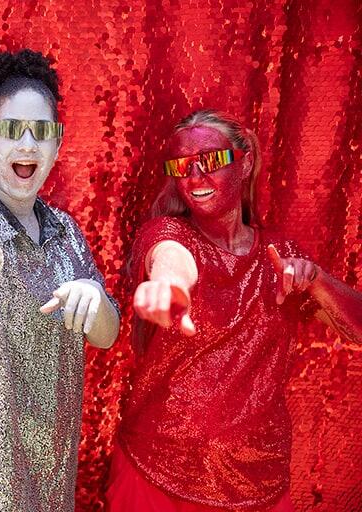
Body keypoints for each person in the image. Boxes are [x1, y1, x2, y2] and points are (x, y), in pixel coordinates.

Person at [108, 110, 362, 511]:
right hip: (157, 476)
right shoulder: (168, 233)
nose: (194, 177)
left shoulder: (279, 257)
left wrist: (317, 281)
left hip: (258, 485)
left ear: (244, 163)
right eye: (181, 166)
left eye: (210, 160)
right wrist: (169, 286)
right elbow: (171, 257)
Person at [0, 49, 121, 512]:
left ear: (58, 144)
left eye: (42, 132)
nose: (28, 145)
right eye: (12, 130)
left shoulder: (67, 232)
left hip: (51, 485)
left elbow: (107, 335)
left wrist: (94, 297)